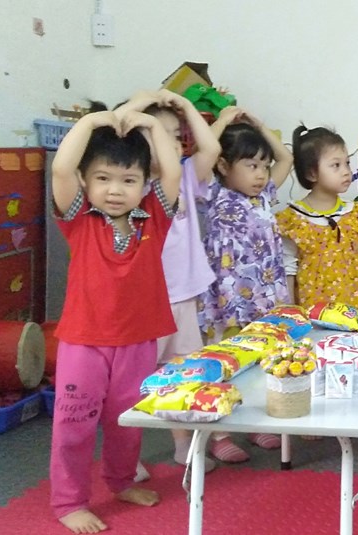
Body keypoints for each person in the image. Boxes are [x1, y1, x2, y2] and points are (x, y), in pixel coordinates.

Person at [49, 109, 181, 533]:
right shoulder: (78, 220)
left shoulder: (155, 217)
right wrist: (92, 122)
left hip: (137, 340)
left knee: (127, 421)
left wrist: (152, 125)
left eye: (128, 180)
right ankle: (69, 501)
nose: (115, 190)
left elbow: (172, 171)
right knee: (74, 424)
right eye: (103, 178)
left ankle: (121, 481)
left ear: (145, 183)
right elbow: (61, 168)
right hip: (83, 341)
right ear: (85, 181)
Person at [115, 89, 223, 473]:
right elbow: (113, 128)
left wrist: (187, 106)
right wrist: (141, 105)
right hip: (144, 301)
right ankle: (127, 458)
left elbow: (211, 148)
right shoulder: (131, 185)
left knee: (181, 375)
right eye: (158, 134)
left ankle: (183, 446)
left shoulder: (187, 177)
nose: (172, 142)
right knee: (132, 382)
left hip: (183, 297)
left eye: (176, 135)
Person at [198, 108, 293, 462]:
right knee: (222, 361)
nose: (261, 173)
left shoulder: (266, 194)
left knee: (259, 360)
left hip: (265, 299)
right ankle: (220, 433)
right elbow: (203, 156)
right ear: (224, 165)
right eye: (251, 165)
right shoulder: (212, 193)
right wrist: (222, 122)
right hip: (227, 299)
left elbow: (286, 158)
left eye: (264, 166)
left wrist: (260, 126)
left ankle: (254, 423)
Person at [277, 125, 358, 309]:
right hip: (313, 311)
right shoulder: (295, 219)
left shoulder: (354, 215)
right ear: (311, 173)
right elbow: (288, 269)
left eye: (347, 163)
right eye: (336, 165)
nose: (346, 171)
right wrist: (290, 312)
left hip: (355, 308)